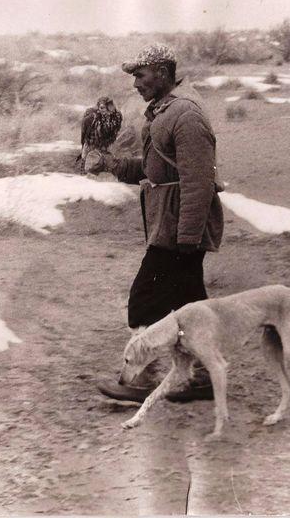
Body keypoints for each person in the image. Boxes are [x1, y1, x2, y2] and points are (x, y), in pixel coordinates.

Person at [90, 43, 224, 403]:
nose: (135, 83)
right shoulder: (165, 111)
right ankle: (203, 378)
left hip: (179, 228)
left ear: (162, 73)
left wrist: (187, 239)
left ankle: (140, 379)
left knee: (145, 299)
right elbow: (155, 171)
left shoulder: (185, 114)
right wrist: (110, 164)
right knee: (189, 303)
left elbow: (199, 181)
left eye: (140, 75)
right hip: (172, 223)